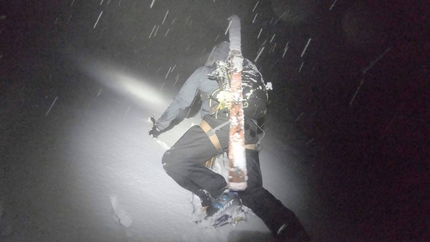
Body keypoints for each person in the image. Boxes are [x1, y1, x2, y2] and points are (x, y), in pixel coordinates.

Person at [149, 41, 310, 241]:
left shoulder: (205, 72)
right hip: (248, 129)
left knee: (173, 160)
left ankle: (220, 193)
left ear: (214, 57)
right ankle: (293, 231)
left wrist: (160, 126)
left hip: (224, 126)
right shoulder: (242, 78)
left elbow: (181, 102)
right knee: (248, 188)